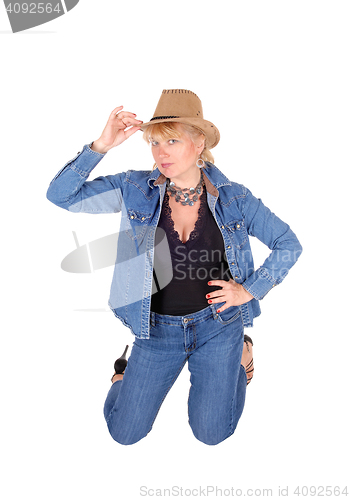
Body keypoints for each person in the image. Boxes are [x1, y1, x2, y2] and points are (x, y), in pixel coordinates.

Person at [47, 89, 302, 446]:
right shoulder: (135, 188)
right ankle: (123, 377)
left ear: (199, 144)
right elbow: (61, 196)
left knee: (212, 433)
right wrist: (100, 146)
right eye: (154, 142)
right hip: (155, 331)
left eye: (172, 140)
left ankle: (240, 360)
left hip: (218, 326)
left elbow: (289, 244)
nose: (160, 152)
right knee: (124, 434)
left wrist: (248, 290)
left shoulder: (235, 197)